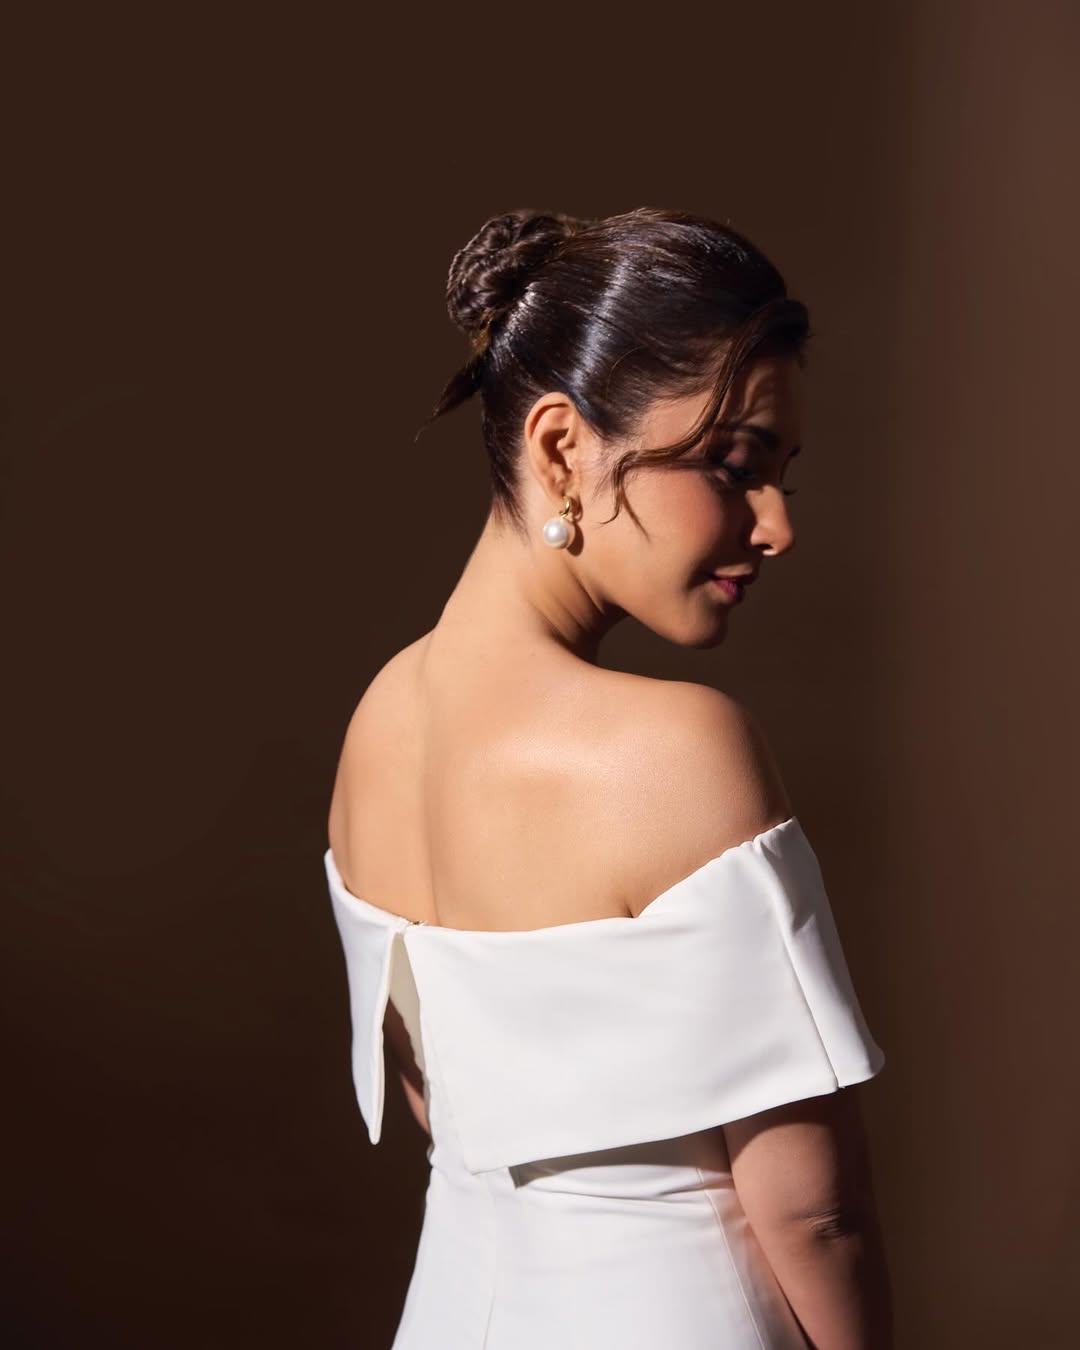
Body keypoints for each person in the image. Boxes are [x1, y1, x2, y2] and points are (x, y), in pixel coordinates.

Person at [324, 207, 893, 1349]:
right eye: (736, 465)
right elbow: (813, 1211)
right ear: (560, 449)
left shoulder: (377, 723)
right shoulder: (681, 749)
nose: (776, 526)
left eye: (782, 477)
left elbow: (441, 1098)